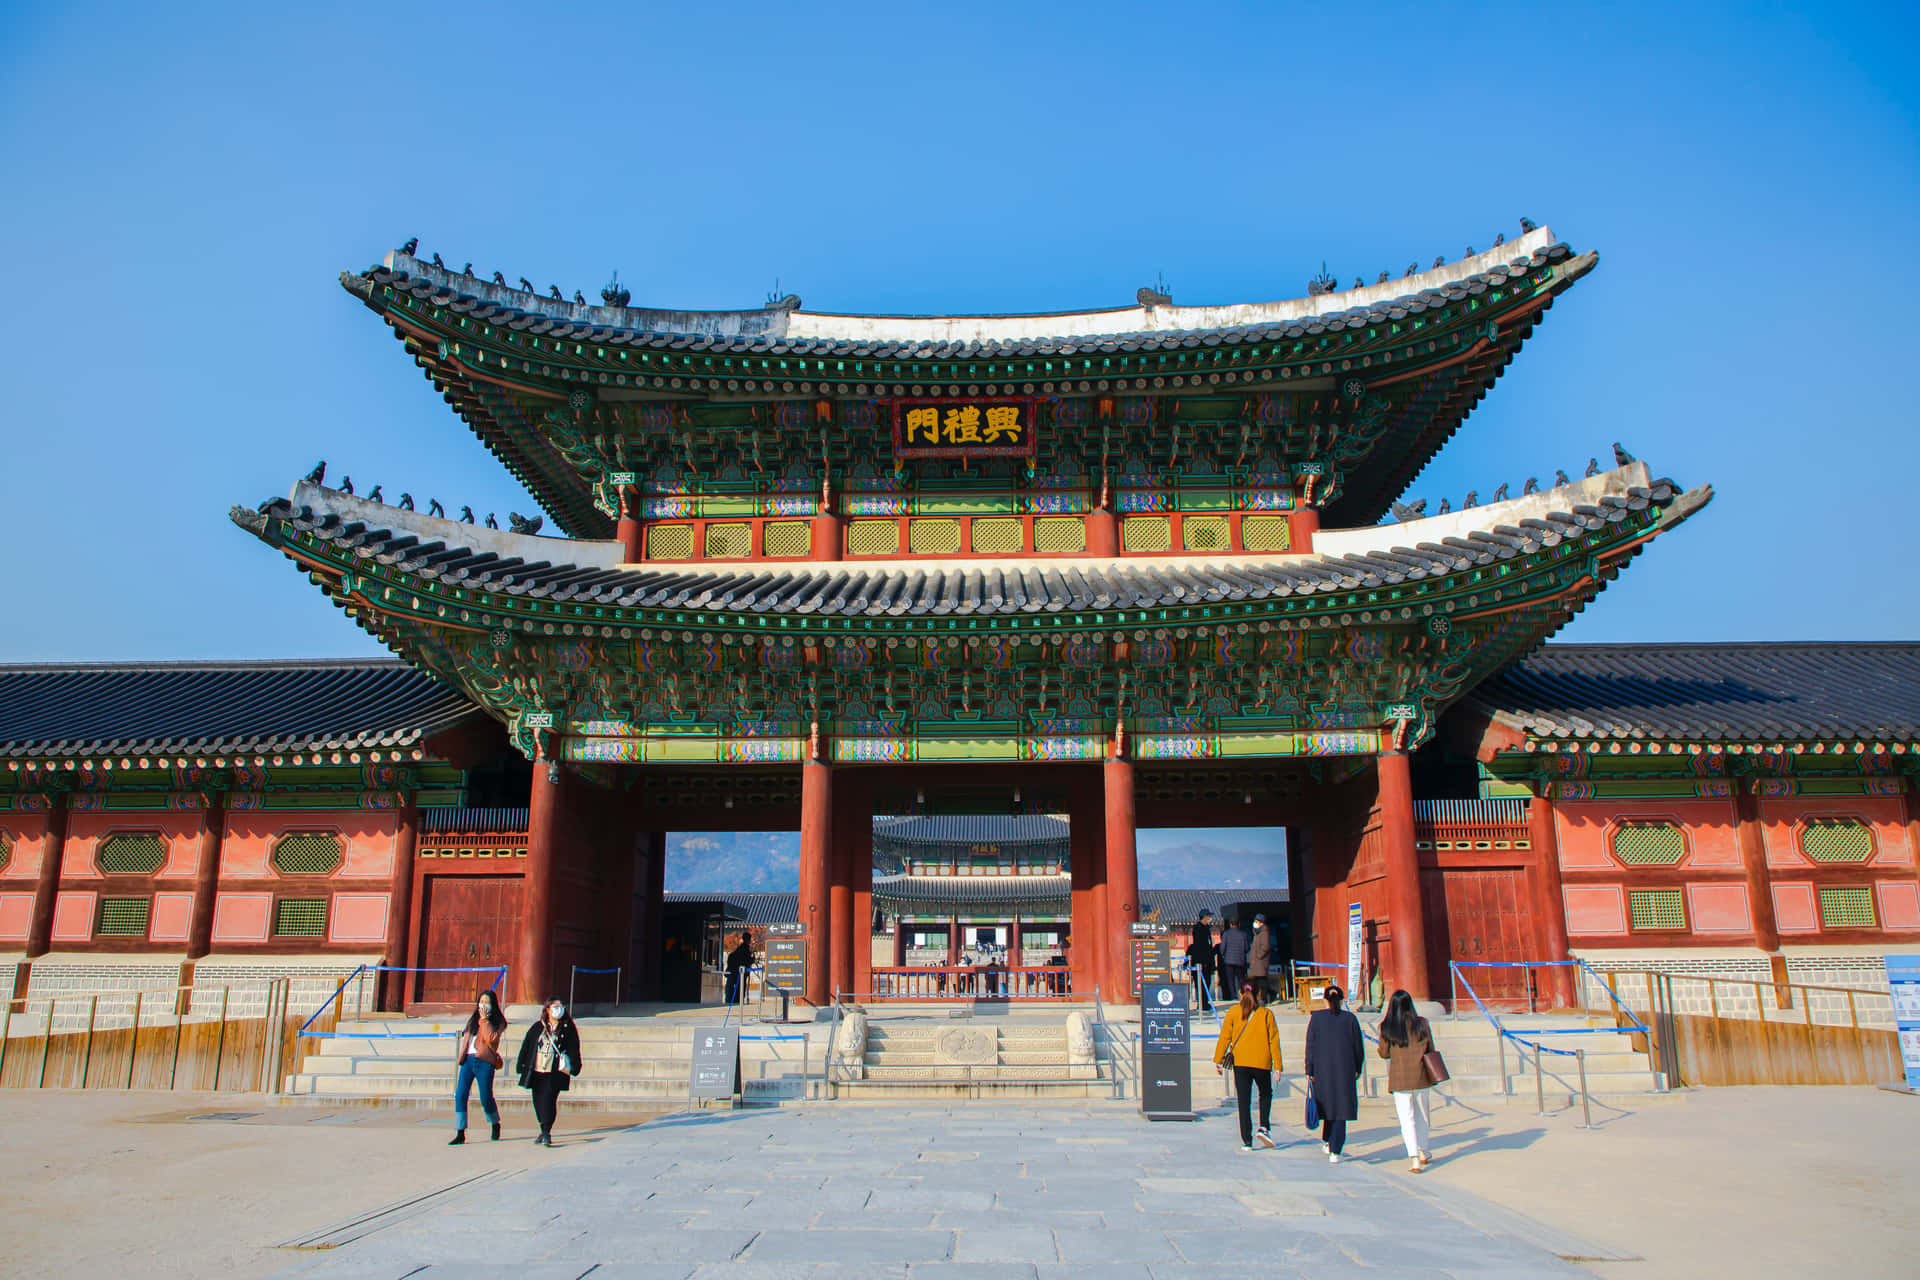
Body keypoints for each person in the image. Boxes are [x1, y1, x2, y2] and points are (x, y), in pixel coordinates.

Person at [1213, 980, 1283, 1151]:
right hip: (1262, 1062)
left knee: (1243, 1101)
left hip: (1241, 1062)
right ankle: (1264, 1127)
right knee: (1265, 1094)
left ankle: (1246, 1140)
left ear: (1239, 993)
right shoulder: (1266, 1013)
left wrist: (1218, 1059)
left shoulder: (1233, 1012)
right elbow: (1273, 1040)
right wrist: (1278, 1066)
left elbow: (1225, 1037)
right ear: (1259, 993)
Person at [1377, 988, 1438, 1172]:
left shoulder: (1387, 1026)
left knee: (1407, 1118)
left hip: (1400, 1078)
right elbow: (1431, 1048)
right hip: (1421, 1075)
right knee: (1422, 1115)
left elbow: (1384, 1053)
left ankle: (1413, 1157)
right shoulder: (1422, 1024)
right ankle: (1423, 1150)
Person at [1304, 983, 1365, 1163]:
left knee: (1328, 1105)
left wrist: (1309, 1069)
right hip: (1345, 1069)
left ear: (1325, 1000)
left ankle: (1328, 1141)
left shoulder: (1316, 1018)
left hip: (1322, 1070)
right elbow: (1358, 1047)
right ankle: (1335, 1149)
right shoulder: (1350, 1019)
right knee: (1340, 1109)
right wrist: (1357, 1067)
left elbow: (1310, 1046)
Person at [517, 998, 583, 1146]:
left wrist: (576, 1066)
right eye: (555, 1006)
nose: (558, 1009)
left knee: (549, 1100)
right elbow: (526, 1046)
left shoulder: (567, 1028)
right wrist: (521, 1064)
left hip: (554, 1072)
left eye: (561, 1006)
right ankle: (543, 1129)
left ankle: (546, 1131)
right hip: (537, 1070)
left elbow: (574, 1048)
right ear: (547, 1009)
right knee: (538, 1102)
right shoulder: (537, 1027)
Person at [449, 988, 506, 1145]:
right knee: (460, 1094)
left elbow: (492, 1039)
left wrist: (485, 1020)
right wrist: (461, 1056)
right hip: (468, 1060)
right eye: (481, 1002)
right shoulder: (472, 1020)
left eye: (487, 1002)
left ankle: (494, 1123)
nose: (483, 1005)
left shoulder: (498, 1022)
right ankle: (460, 1132)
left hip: (485, 1061)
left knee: (485, 1096)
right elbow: (467, 1039)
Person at [1187, 910, 1217, 1014]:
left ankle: (1205, 1002)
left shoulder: (1207, 928)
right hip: (1200, 961)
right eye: (1209, 916)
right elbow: (1200, 946)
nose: (1210, 919)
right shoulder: (1198, 928)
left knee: (1207, 983)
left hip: (1208, 961)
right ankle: (1201, 1003)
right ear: (1204, 917)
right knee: (1200, 984)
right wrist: (1202, 960)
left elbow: (1209, 946)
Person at [1219, 916, 1250, 1004]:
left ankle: (1233, 996)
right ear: (1239, 924)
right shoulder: (1243, 934)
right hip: (1240, 960)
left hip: (1229, 961)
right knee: (1241, 979)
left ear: (1230, 924)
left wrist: (1224, 955)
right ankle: (1242, 994)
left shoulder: (1226, 934)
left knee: (1230, 980)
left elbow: (1222, 948)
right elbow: (1247, 948)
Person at [1248, 914, 1272, 1005]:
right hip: (1256, 962)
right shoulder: (1257, 933)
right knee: (1257, 981)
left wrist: (1259, 955)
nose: (1255, 923)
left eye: (1257, 922)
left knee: (1262, 980)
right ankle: (1259, 997)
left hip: (1260, 961)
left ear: (1261, 923)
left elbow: (1265, 946)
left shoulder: (1264, 932)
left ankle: (1264, 998)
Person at [725, 931, 755, 1006]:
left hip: (735, 972)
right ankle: (737, 1002)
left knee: (734, 989)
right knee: (739, 989)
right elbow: (747, 960)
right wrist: (752, 959)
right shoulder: (745, 949)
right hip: (739, 973)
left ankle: (735, 1001)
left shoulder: (739, 948)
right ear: (748, 939)